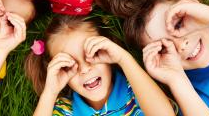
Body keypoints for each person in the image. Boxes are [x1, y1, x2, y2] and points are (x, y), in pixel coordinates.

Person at [24, 15, 178, 115]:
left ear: (108, 51)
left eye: (93, 54)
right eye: (69, 65)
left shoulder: (137, 89)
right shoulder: (65, 110)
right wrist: (50, 92)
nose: (85, 69)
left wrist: (124, 59)